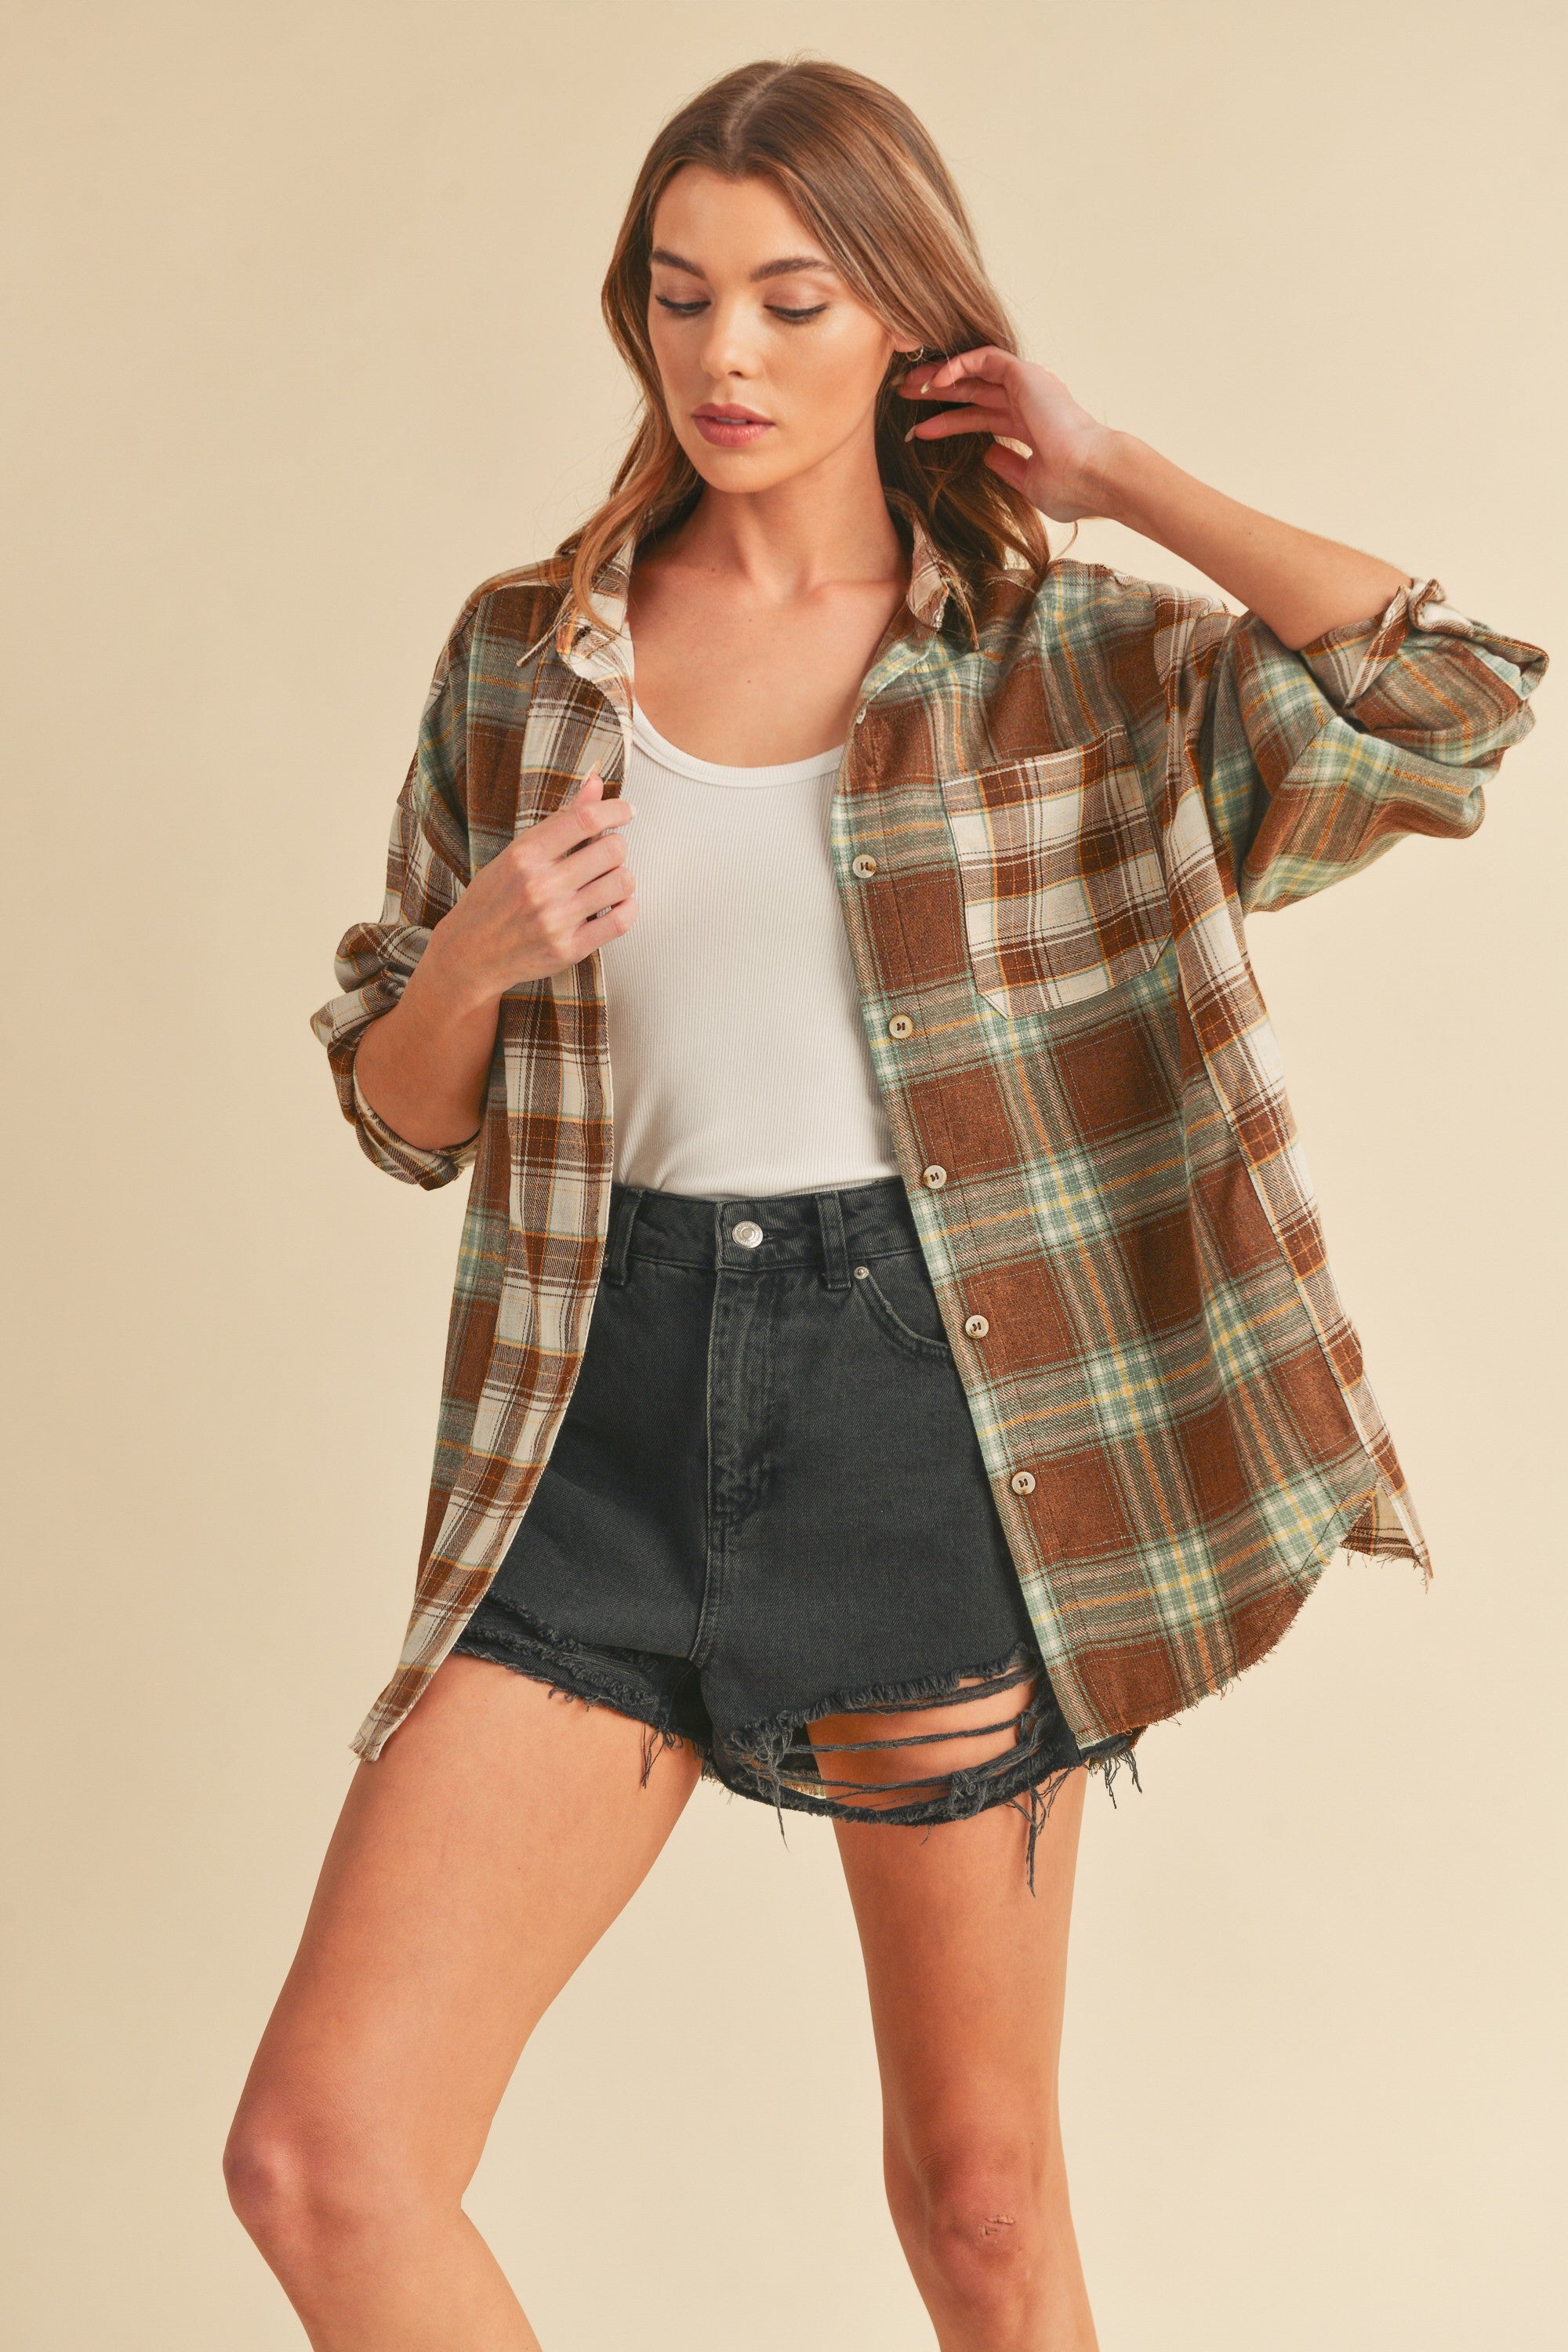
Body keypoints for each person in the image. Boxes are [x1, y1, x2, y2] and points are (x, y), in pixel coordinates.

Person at [222, 54, 1546, 2352]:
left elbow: (1450, 707)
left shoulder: (1063, 665)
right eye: (679, 297)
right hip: (592, 1440)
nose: (724, 354)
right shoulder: (532, 657)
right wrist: (470, 964)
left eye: (791, 299)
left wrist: (1116, 472)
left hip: (937, 1422)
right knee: (324, 2161)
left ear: (909, 325)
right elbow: (407, 1112)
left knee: (982, 2206)